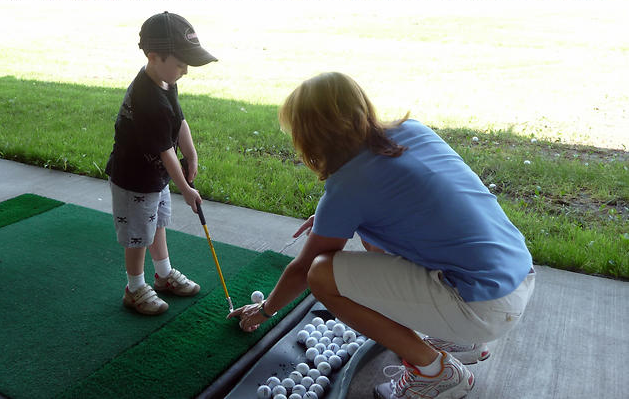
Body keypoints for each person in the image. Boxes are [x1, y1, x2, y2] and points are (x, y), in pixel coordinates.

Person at [228, 72, 535, 398]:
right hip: (518, 276)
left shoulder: (347, 187)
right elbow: (424, 201)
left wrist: (264, 311)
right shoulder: (411, 131)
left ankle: (435, 372)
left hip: (484, 307)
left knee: (321, 274)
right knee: (371, 237)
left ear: (310, 136)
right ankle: (462, 341)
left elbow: (305, 270)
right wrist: (334, 218)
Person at [105, 11, 217, 315]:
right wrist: (186, 189)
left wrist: (191, 153)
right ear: (154, 57)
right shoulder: (147, 98)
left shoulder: (166, 81)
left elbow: (178, 118)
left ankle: (164, 274)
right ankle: (135, 287)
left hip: (153, 176)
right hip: (133, 178)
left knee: (156, 225)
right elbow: (166, 151)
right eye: (180, 64)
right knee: (139, 233)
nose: (185, 71)